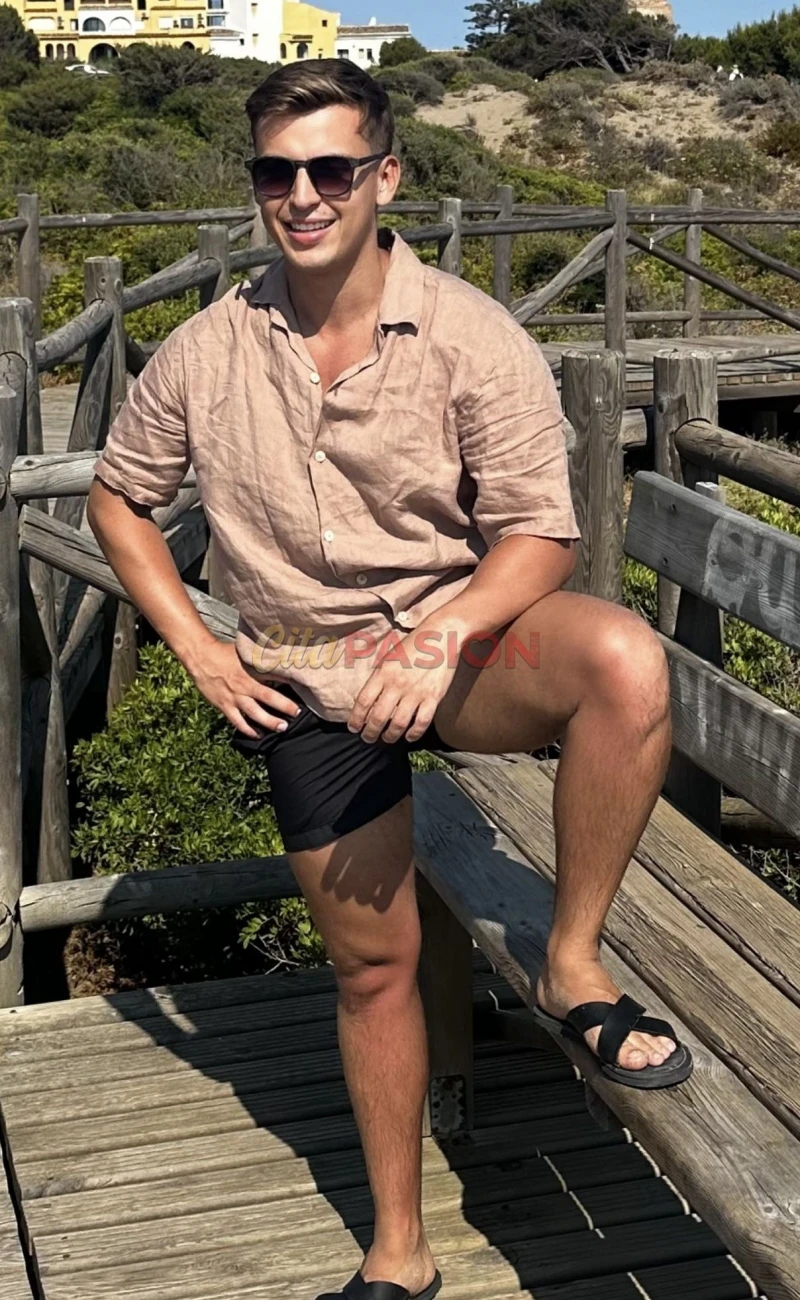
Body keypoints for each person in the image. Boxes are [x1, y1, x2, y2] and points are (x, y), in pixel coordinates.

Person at [88, 58, 692, 1300]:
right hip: (309, 679)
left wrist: (439, 633)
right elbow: (117, 498)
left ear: (385, 177)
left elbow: (540, 533)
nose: (302, 195)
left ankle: (570, 960)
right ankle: (399, 1252)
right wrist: (198, 645)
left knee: (623, 660)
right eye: (276, 172)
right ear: (256, 184)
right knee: (373, 965)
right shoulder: (205, 350)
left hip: (453, 653)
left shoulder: (471, 334)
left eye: (330, 168)